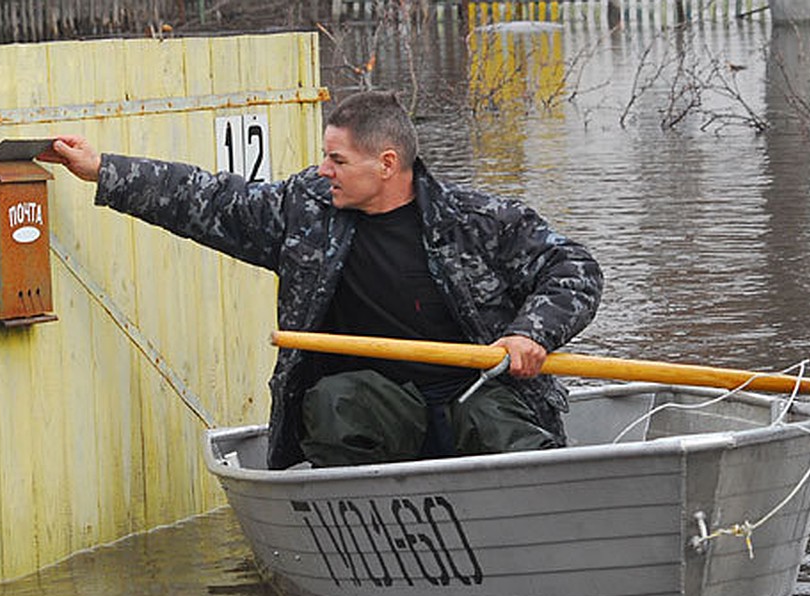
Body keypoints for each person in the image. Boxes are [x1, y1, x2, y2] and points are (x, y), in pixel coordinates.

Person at [39, 91, 603, 469]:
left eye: (337, 159)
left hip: (475, 394)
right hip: (373, 411)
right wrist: (103, 169)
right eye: (324, 157)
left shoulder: (477, 221)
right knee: (336, 404)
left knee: (508, 432)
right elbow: (205, 197)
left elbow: (574, 269)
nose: (323, 170)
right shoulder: (302, 214)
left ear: (386, 165)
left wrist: (532, 334)